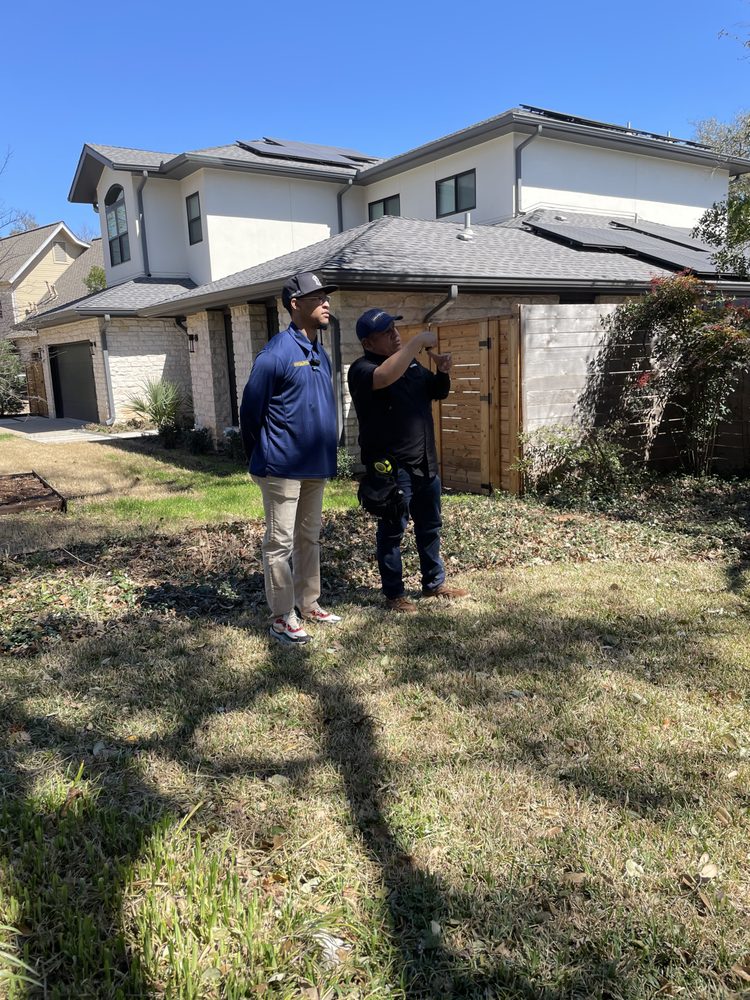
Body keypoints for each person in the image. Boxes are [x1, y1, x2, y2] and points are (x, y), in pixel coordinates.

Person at [240, 271, 342, 645]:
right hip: (281, 466)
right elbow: (250, 411)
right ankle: (283, 616)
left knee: (309, 538)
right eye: (317, 298)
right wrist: (260, 454)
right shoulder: (276, 353)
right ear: (295, 304)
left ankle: (309, 603)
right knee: (279, 543)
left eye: (326, 297)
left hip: (315, 464)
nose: (326, 303)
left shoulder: (319, 351)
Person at [347, 308, 469, 612]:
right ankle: (394, 594)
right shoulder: (363, 369)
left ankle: (433, 584)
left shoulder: (411, 364)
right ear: (368, 343)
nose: (395, 335)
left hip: (425, 462)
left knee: (430, 526)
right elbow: (386, 375)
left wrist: (442, 370)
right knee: (392, 531)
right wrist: (418, 342)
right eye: (387, 332)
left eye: (395, 329)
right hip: (391, 469)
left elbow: (437, 391)